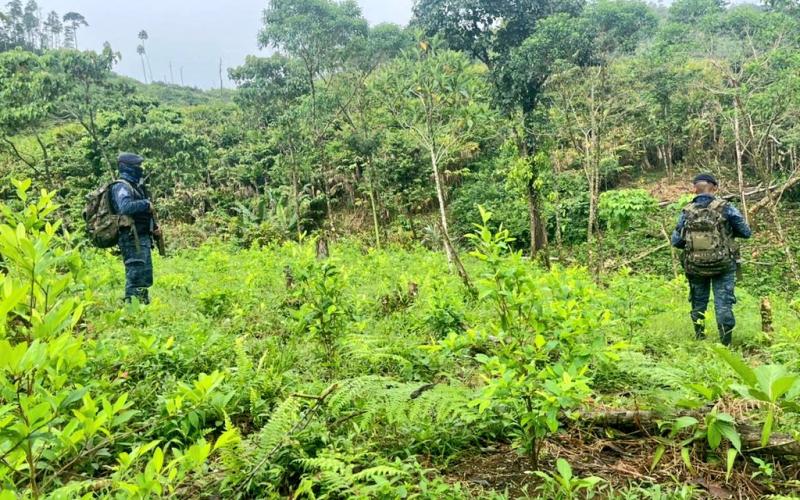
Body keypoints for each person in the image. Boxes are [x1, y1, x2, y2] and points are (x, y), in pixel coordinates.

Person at [671, 173, 752, 346]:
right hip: (723, 265)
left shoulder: (687, 211)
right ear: (714, 188)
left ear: (694, 188)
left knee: (698, 303)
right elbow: (746, 232)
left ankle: (700, 338)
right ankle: (726, 344)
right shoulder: (726, 208)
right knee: (723, 305)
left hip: (695, 266)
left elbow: (676, 242)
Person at [111, 153, 159, 304]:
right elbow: (125, 207)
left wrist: (154, 228)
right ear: (127, 167)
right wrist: (146, 204)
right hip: (131, 238)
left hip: (141, 237)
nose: (140, 169)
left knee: (144, 276)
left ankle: (142, 307)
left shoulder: (135, 186)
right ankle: (132, 312)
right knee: (135, 276)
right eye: (136, 166)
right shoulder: (121, 186)